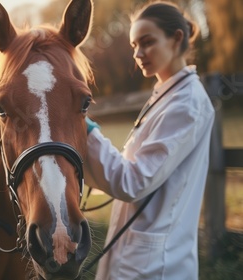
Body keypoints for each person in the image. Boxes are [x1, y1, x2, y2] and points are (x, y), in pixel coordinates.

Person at [84, 1, 214, 279]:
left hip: (157, 265)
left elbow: (133, 182)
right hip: (137, 255)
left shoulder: (187, 103)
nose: (138, 53)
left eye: (147, 42)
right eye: (133, 45)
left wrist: (85, 129)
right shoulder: (166, 95)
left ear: (176, 38)